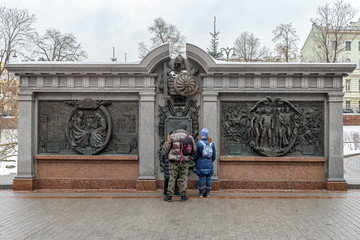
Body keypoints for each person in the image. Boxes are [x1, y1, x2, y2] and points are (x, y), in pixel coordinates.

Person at [163, 122, 196, 202]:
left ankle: (169, 196)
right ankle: (183, 196)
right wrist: (188, 156)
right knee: (184, 177)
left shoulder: (172, 136)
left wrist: (168, 157)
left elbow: (166, 148)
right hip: (184, 161)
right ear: (185, 129)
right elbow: (194, 149)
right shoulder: (189, 137)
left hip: (174, 161)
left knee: (172, 177)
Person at [194, 128, 216, 198]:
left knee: (201, 177)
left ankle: (201, 193)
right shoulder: (212, 144)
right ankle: (208, 193)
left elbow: (196, 155)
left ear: (201, 135)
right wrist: (210, 161)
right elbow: (214, 155)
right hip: (209, 163)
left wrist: (197, 161)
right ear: (207, 135)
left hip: (200, 163)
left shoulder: (199, 144)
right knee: (208, 177)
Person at [160, 131, 180, 196]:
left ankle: (165, 191)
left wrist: (164, 161)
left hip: (167, 162)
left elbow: (162, 155)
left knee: (167, 177)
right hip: (174, 162)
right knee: (174, 177)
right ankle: (176, 191)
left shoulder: (166, 144)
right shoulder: (176, 144)